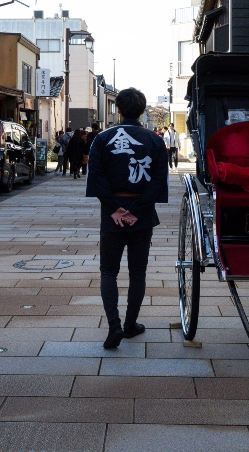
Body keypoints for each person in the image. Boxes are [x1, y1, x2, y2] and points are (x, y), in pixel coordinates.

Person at [87, 87, 168, 349]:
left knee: (108, 271)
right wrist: (138, 210)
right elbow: (158, 180)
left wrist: (114, 208)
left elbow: (97, 176)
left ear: (118, 109)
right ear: (142, 110)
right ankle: (131, 324)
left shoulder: (102, 139)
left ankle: (114, 326)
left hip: (112, 215)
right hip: (141, 216)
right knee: (138, 272)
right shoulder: (154, 140)